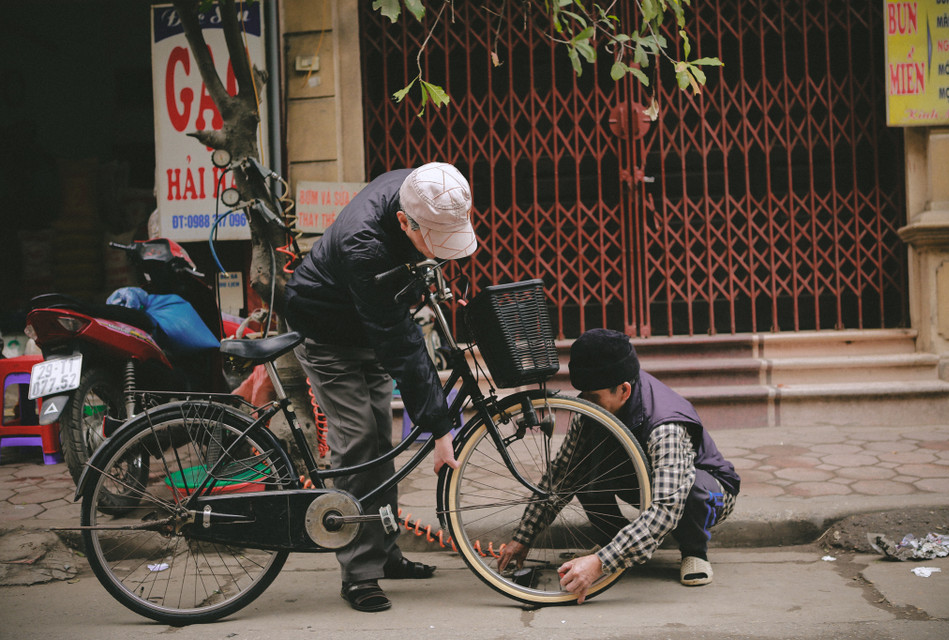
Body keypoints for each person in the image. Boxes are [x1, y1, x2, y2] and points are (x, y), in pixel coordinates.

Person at [284, 162, 477, 612]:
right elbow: (403, 345)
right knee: (360, 444)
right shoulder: (364, 245)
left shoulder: (422, 187)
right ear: (404, 222)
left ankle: (386, 553)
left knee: (381, 442)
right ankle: (359, 572)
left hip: (366, 325)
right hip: (328, 333)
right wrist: (441, 430)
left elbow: (399, 315)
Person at [497, 328, 740, 603]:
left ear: (624, 390)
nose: (587, 405)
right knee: (583, 471)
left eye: (595, 397)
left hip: (707, 493)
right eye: (584, 395)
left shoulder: (665, 425)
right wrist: (524, 537)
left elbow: (666, 508)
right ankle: (618, 544)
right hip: (646, 479)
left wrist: (601, 563)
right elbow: (563, 473)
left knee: (691, 489)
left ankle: (694, 551)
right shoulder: (592, 408)